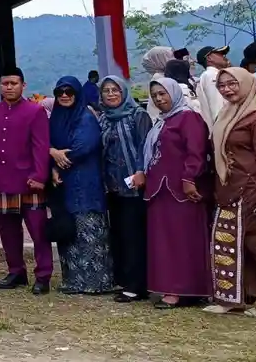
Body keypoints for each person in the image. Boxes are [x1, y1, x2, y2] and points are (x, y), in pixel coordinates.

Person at [204, 67, 256, 317]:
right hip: (228, 189)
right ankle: (231, 299)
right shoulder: (228, 113)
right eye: (222, 85)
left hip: (252, 190)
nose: (227, 89)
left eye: (232, 83)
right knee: (227, 244)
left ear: (246, 84)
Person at [143, 77, 213, 308]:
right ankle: (169, 287)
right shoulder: (163, 121)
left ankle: (183, 289)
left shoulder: (188, 118)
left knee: (182, 239)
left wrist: (189, 178)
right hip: (160, 190)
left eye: (163, 93)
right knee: (165, 241)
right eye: (155, 96)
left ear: (174, 93)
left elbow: (197, 151)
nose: (159, 99)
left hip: (181, 190)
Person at [0, 67, 53, 294]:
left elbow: (41, 146)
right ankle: (16, 271)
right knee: (8, 231)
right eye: (5, 84)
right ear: (0, 86)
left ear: (23, 85)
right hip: (2, 181)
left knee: (38, 231)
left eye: (14, 83)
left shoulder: (35, 111)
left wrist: (39, 176)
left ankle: (43, 275)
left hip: (29, 182)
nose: (9, 87)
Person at [49, 76, 113, 295]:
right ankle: (73, 280)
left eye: (69, 92)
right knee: (68, 231)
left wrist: (59, 159)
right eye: (60, 92)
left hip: (85, 183)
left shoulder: (85, 118)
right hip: (63, 185)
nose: (64, 96)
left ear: (78, 94)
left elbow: (83, 147)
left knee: (89, 231)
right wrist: (52, 155)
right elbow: (47, 144)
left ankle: (95, 282)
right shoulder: (56, 118)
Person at [97, 76, 154, 303]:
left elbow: (146, 146)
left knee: (134, 235)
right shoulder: (103, 118)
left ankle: (137, 285)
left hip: (135, 186)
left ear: (124, 92)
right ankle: (124, 279)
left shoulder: (137, 115)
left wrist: (141, 171)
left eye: (115, 90)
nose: (111, 94)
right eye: (106, 91)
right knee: (119, 234)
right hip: (112, 186)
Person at [196, 45, 230, 130]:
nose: (224, 56)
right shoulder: (212, 75)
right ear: (209, 58)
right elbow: (218, 109)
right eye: (219, 54)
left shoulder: (212, 75)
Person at [141, 47, 175, 120]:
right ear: (160, 59)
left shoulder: (168, 75)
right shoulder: (159, 77)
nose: (173, 58)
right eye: (170, 56)